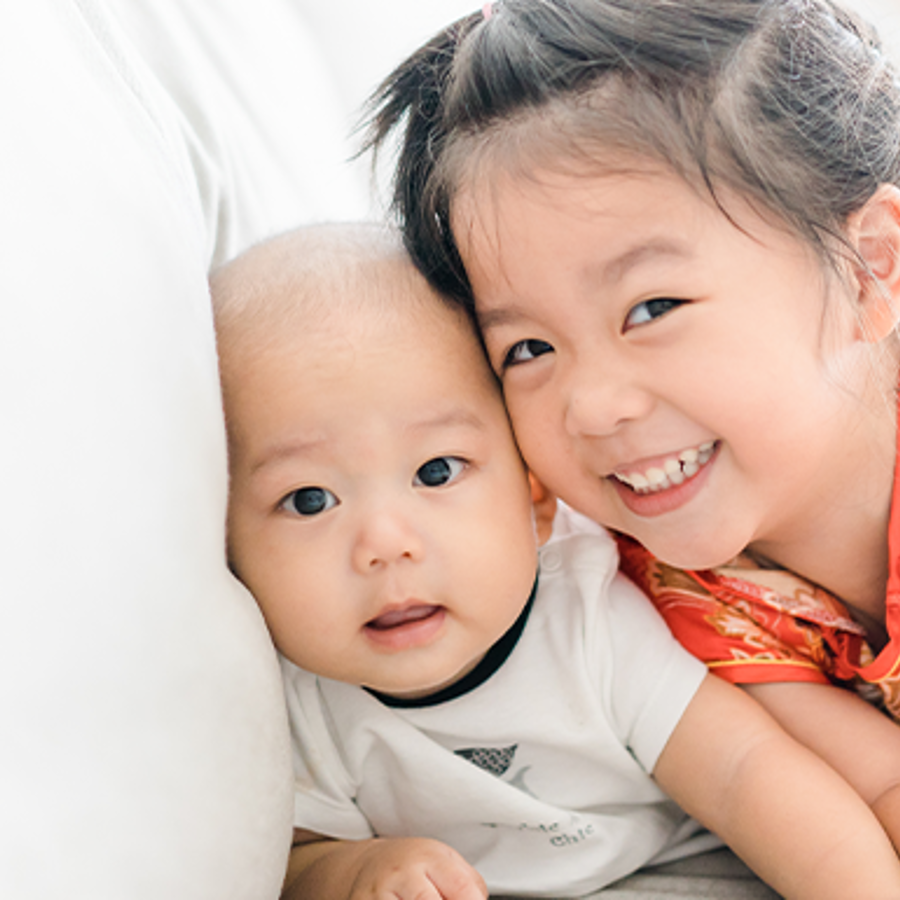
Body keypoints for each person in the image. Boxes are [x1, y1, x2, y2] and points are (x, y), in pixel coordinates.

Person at [211, 222, 900, 900]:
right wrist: (360, 870)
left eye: (437, 471)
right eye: (308, 501)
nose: (386, 544)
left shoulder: (591, 617)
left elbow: (748, 777)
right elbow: (286, 860)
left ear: (534, 498)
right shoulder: (295, 702)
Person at [365, 0, 900, 853]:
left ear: (871, 270)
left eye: (651, 307)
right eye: (528, 348)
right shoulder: (659, 590)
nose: (590, 406)